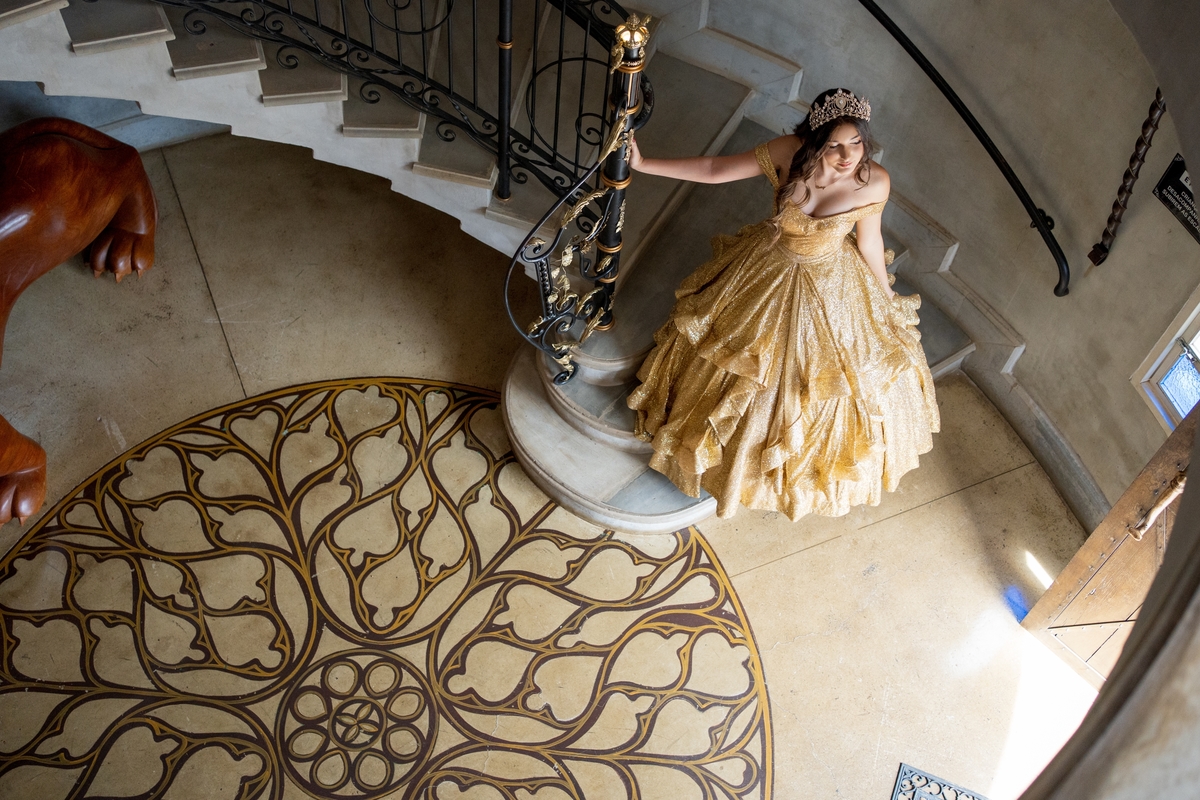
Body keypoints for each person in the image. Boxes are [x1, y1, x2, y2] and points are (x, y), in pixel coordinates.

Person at [625, 88, 940, 520]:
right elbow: (717, 169)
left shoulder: (874, 180)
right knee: (736, 363)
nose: (848, 156)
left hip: (832, 282)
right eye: (834, 145)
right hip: (770, 267)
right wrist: (644, 164)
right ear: (814, 139)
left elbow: (869, 241)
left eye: (856, 143)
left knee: (823, 383)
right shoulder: (788, 152)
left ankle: (773, 472)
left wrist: (886, 299)